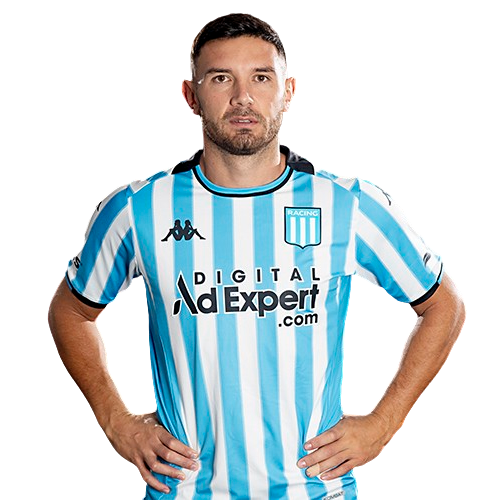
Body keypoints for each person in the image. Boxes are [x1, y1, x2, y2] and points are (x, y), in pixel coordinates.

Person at [48, 13, 466, 500]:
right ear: (190, 95)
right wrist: (115, 420)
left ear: (288, 92)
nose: (242, 97)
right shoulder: (137, 208)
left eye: (261, 78)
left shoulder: (347, 204)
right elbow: (70, 311)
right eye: (221, 78)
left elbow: (444, 304)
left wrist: (383, 424)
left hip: (316, 491)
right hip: (183, 491)